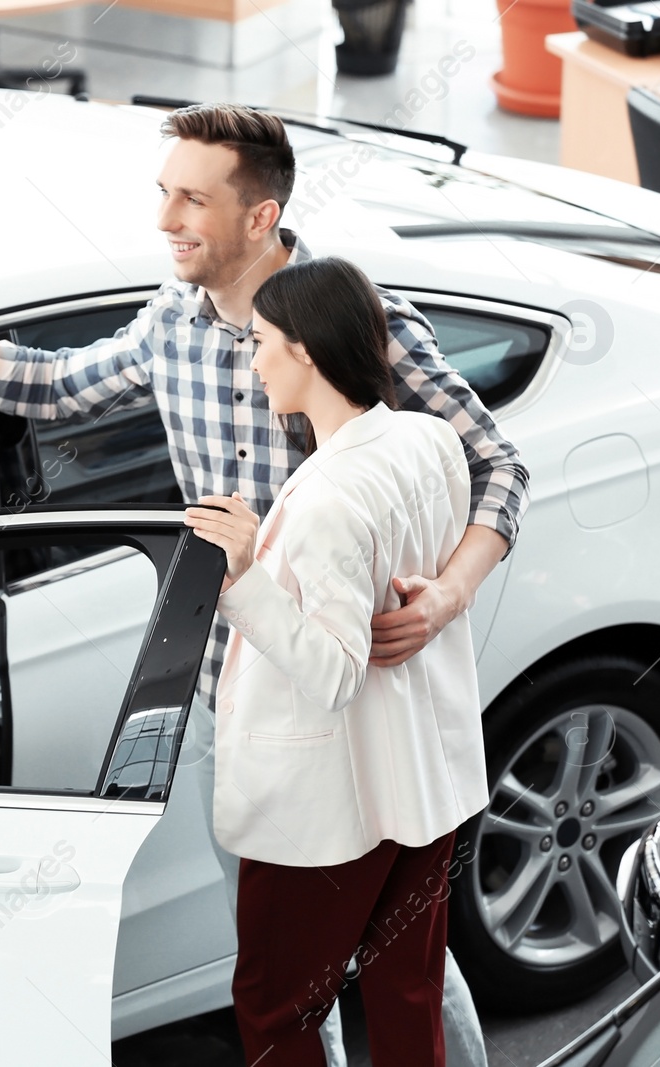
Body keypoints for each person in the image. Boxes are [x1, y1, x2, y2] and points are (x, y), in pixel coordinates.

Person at [0, 102, 525, 1065]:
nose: (166, 218)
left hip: (372, 709)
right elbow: (48, 383)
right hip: (240, 691)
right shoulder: (173, 321)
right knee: (295, 968)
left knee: (403, 961)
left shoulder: (355, 322)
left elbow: (496, 463)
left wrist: (452, 593)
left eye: (191, 199)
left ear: (260, 217)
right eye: (162, 192)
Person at [185, 255, 488, 1066]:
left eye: (262, 343)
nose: (253, 361)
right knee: (405, 989)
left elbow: (332, 672)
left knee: (276, 1008)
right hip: (425, 781)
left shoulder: (324, 497)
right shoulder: (429, 440)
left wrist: (244, 572)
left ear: (308, 352)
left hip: (327, 809)